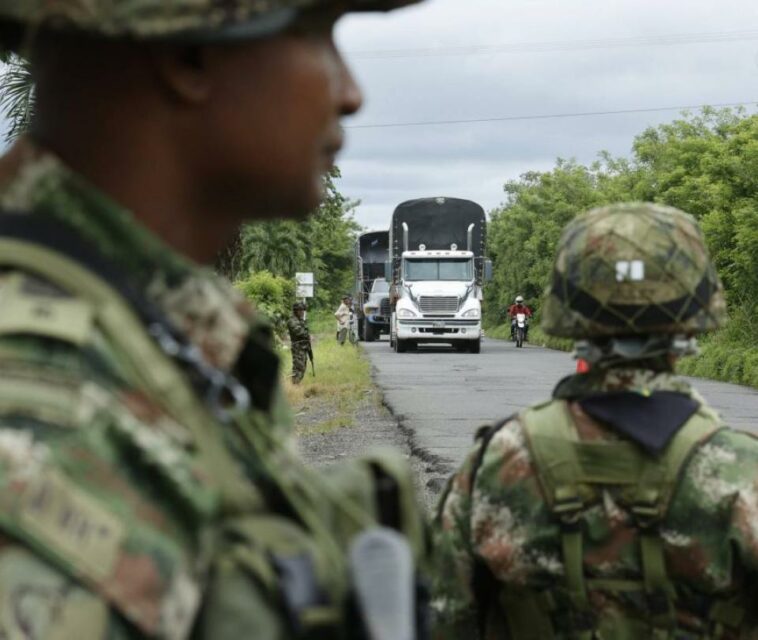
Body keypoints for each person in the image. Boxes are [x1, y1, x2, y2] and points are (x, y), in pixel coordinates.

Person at [0, 1, 430, 638]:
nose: (350, 94)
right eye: (316, 35)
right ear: (188, 55)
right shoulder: (44, 406)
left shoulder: (151, 333)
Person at [432, 203, 758, 639]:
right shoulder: (741, 471)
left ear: (569, 307)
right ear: (694, 312)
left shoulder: (498, 460)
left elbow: (444, 615)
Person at [287, 301, 311, 384]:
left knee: (302, 367)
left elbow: (306, 332)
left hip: (303, 346)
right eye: (300, 310)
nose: (302, 312)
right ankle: (294, 386)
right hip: (297, 347)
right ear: (295, 311)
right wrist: (306, 333)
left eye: (303, 310)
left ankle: (295, 384)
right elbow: (300, 332)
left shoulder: (300, 320)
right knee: (298, 368)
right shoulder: (292, 320)